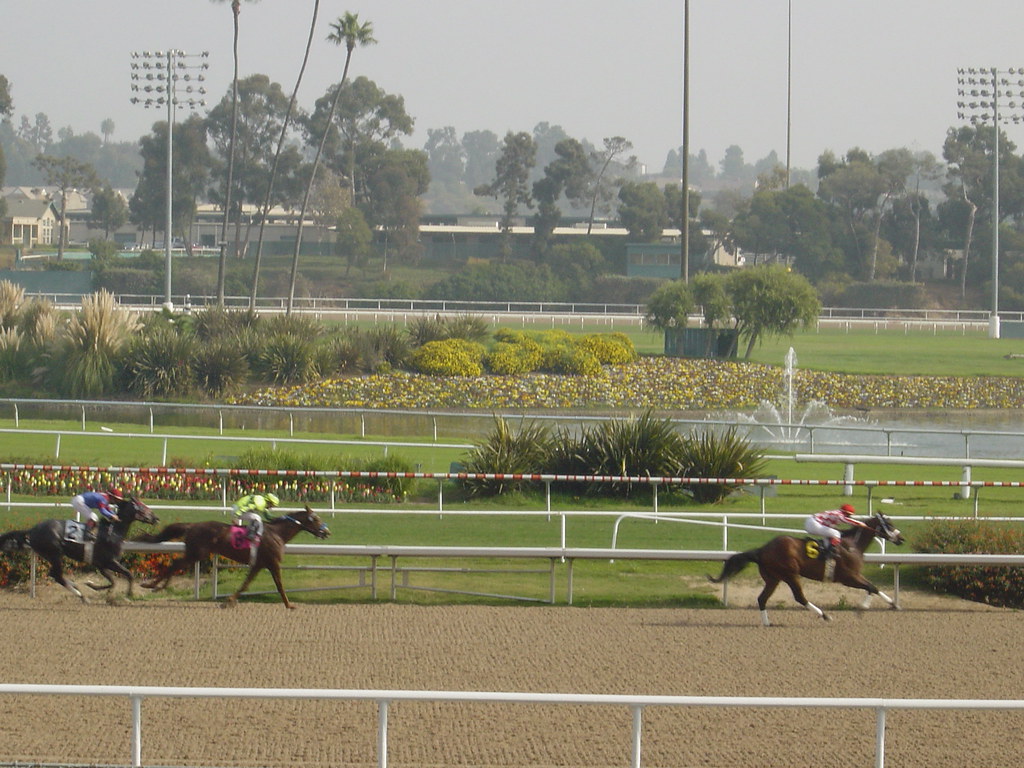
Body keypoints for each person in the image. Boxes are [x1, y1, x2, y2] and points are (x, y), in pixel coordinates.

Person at [804, 503, 867, 578]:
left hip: (814, 522)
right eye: (848, 515)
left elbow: (832, 526)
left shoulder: (835, 515)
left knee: (830, 536)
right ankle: (829, 552)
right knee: (836, 533)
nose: (849, 516)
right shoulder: (838, 514)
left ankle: (825, 552)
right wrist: (859, 523)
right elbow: (845, 520)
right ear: (845, 512)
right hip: (813, 524)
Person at [232, 492, 280, 564]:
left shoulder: (262, 502)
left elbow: (267, 516)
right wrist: (236, 516)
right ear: (269, 502)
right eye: (272, 505)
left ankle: (251, 534)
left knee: (255, 519)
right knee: (257, 518)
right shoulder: (260, 503)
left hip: (238, 508)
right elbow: (245, 508)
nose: (271, 507)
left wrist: (277, 519)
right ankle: (253, 536)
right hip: (238, 510)